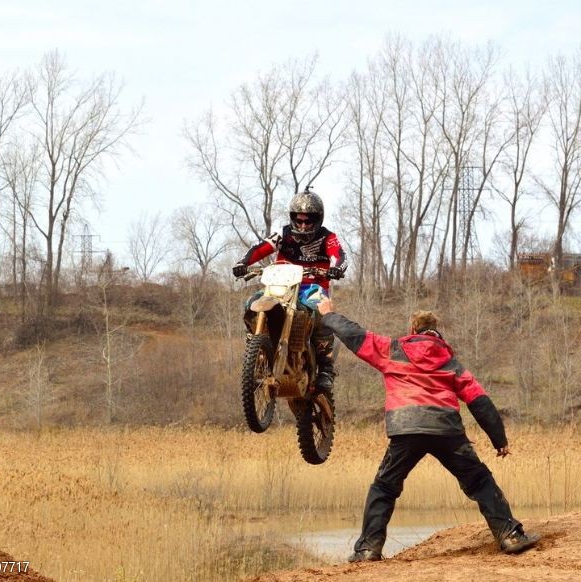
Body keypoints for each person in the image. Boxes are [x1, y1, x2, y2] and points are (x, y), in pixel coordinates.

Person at [316, 298, 541, 562]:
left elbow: (354, 334)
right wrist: (499, 440)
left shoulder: (393, 349)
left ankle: (368, 549)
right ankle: (510, 535)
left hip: (406, 427)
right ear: (437, 331)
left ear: (413, 328)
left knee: (385, 487)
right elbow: (479, 401)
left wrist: (329, 315)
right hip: (447, 430)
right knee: (479, 481)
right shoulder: (450, 362)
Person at [232, 188, 347, 391]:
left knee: (322, 312)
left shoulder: (327, 237)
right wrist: (243, 262)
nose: (303, 225)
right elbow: (261, 248)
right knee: (251, 303)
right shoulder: (283, 234)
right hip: (281, 285)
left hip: (312, 287)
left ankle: (326, 368)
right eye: (299, 220)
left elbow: (338, 254)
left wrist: (336, 268)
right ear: (292, 218)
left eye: (308, 221)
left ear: (318, 219)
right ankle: (256, 348)